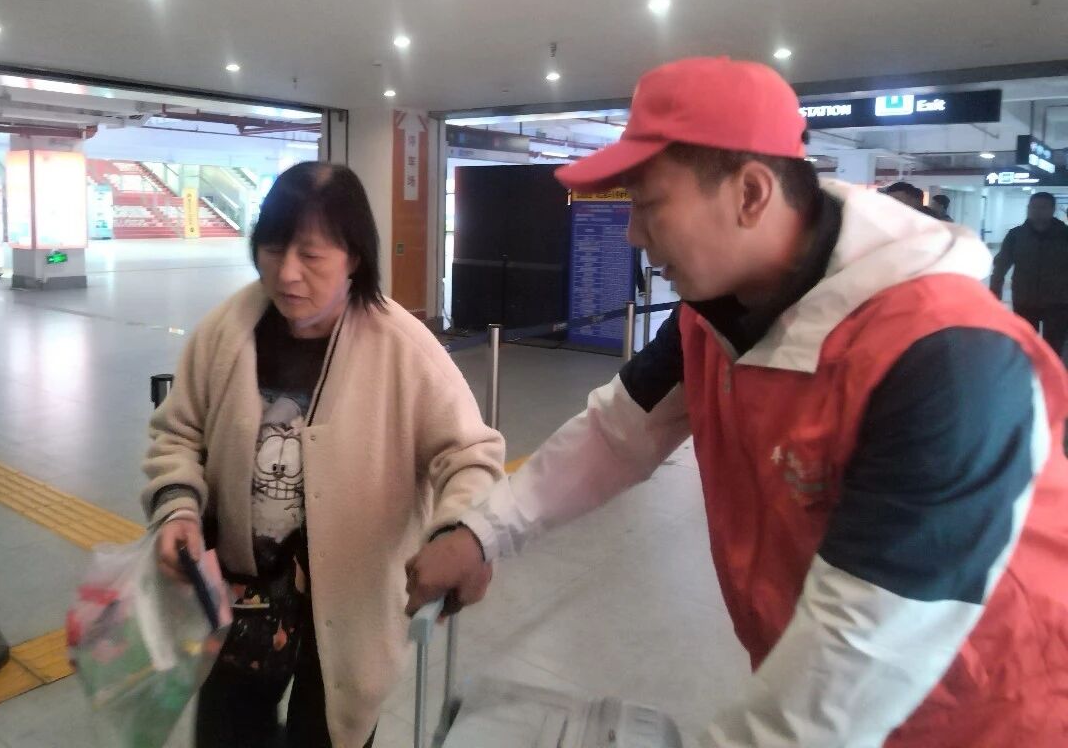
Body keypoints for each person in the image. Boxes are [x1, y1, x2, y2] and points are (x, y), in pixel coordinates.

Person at [405, 57, 1068, 747]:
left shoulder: (946, 358)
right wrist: (481, 533)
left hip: (987, 721)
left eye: (649, 204)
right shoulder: (717, 312)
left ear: (750, 194)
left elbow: (856, 660)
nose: (633, 234)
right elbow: (616, 433)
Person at [144, 161, 505, 748]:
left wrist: (459, 531)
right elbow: (178, 432)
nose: (287, 273)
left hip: (349, 612)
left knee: (331, 733)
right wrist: (178, 507)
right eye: (272, 249)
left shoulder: (402, 348)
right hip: (238, 599)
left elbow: (470, 453)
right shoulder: (226, 332)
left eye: (311, 256)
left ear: (353, 257)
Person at [991, 191, 1068, 357]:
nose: (1036, 211)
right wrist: (994, 292)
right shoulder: (1016, 235)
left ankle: (1049, 373)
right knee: (1024, 345)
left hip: (1058, 302)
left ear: (1053, 209)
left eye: (1042, 207)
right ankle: (1027, 372)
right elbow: (1001, 265)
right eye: (1033, 207)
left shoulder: (1064, 235)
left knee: (1054, 347)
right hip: (1024, 300)